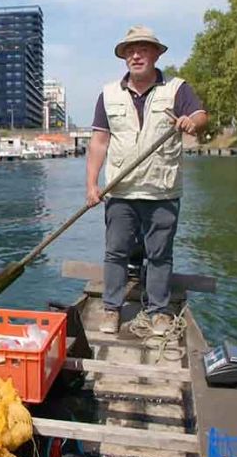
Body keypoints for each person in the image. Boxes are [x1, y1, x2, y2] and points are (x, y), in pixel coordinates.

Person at [86, 25, 208, 335]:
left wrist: (190, 121)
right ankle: (111, 309)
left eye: (143, 49)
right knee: (115, 253)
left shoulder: (177, 88)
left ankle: (159, 312)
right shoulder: (109, 93)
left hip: (162, 190)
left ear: (156, 54)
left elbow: (201, 116)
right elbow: (99, 141)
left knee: (159, 254)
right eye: (130, 51)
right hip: (120, 191)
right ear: (124, 57)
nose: (136, 55)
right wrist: (92, 184)